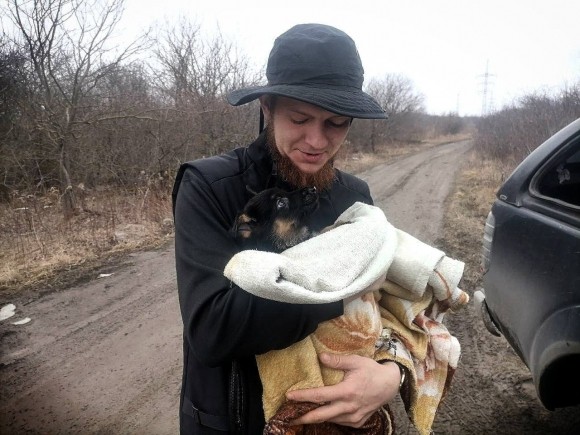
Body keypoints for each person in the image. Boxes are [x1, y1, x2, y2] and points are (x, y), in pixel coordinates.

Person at [172, 23, 403, 434]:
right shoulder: (208, 186)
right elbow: (212, 331)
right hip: (231, 423)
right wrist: (340, 286)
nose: (317, 140)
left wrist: (389, 374)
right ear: (267, 107)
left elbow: (385, 306)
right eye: (300, 118)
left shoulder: (354, 197)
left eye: (336, 123)